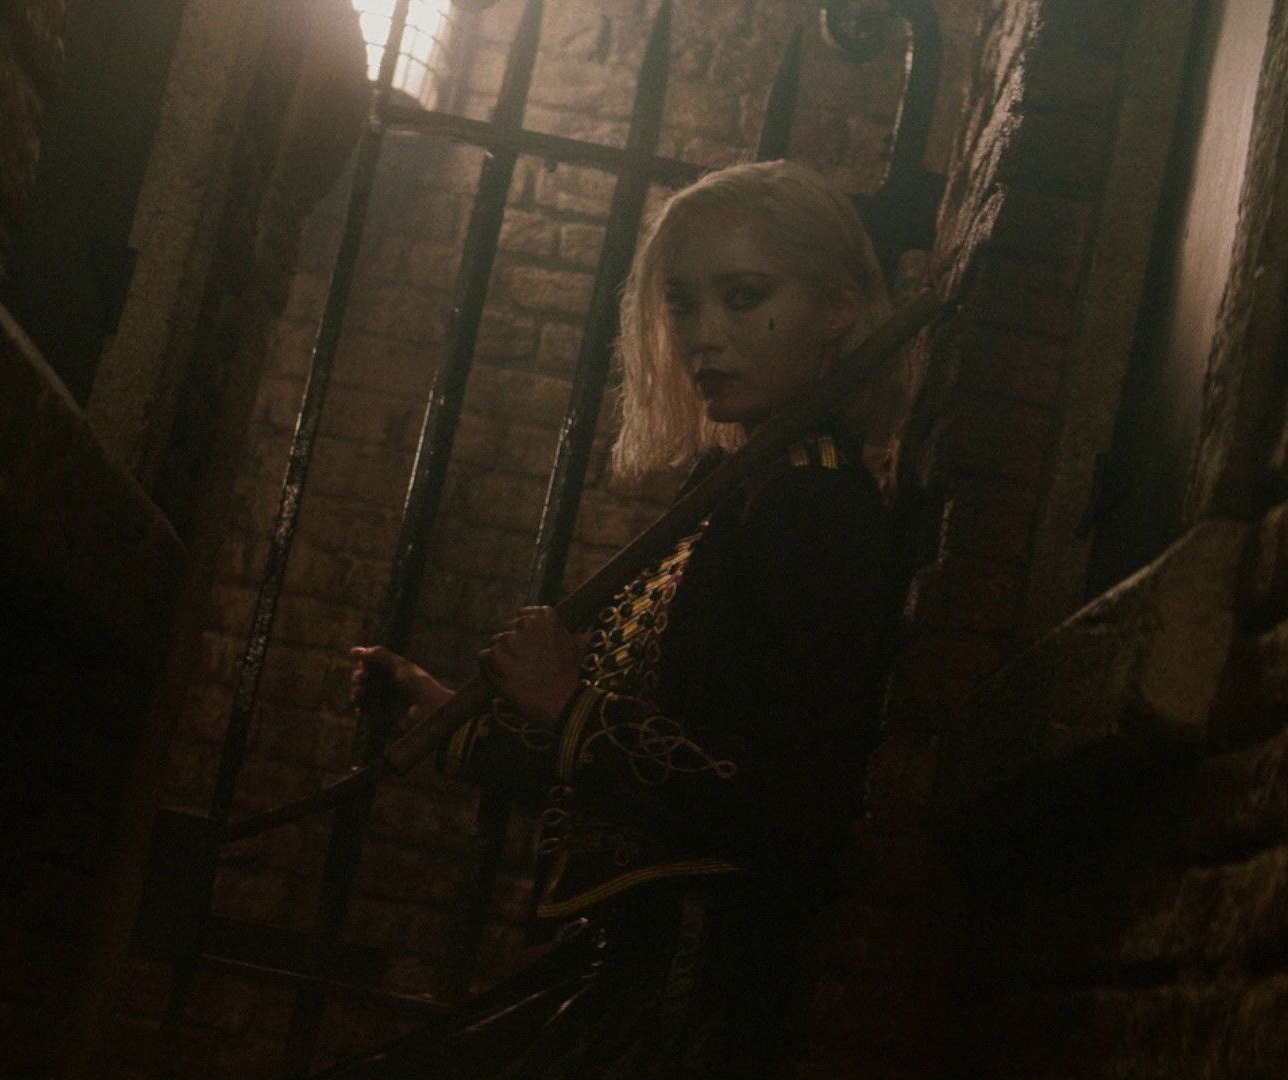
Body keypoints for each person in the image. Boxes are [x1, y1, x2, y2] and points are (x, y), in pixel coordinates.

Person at [330, 159, 903, 1079]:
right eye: (682, 304)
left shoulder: (816, 506)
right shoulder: (744, 489)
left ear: (838, 306)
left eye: (744, 296)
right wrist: (456, 724)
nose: (703, 335)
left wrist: (569, 707)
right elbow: (655, 775)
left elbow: (789, 802)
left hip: (697, 991)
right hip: (636, 971)